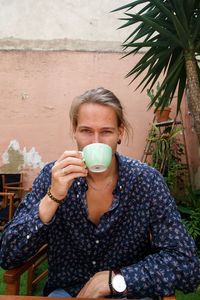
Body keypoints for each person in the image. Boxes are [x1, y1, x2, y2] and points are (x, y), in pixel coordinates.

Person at [0, 87, 200, 300]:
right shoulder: (53, 175)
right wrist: (53, 197)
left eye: (106, 131)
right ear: (74, 131)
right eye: (86, 130)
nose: (96, 141)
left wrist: (112, 281)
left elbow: (186, 264)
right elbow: (8, 255)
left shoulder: (146, 181)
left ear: (120, 133)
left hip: (130, 293)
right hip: (68, 293)